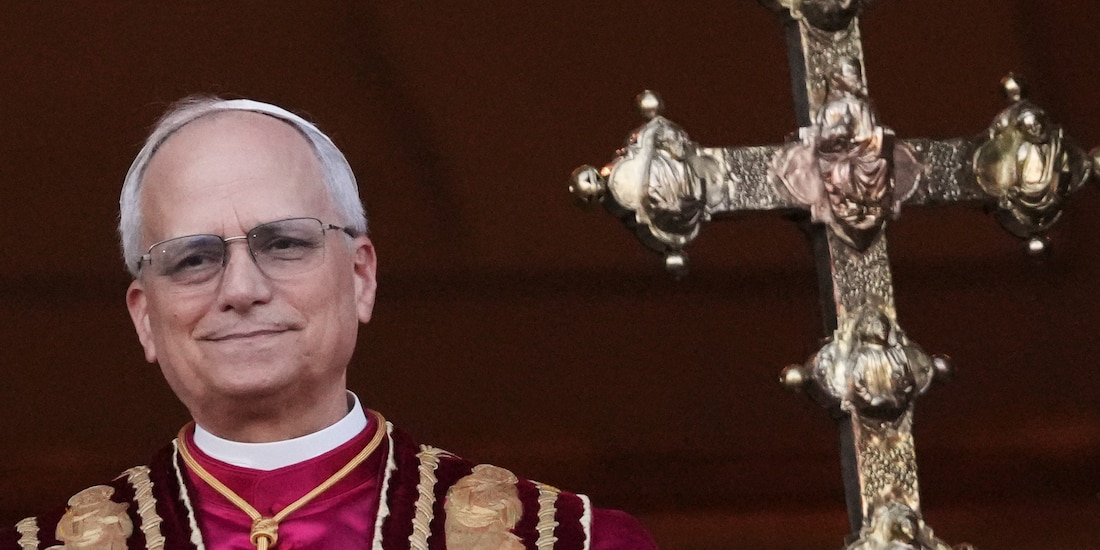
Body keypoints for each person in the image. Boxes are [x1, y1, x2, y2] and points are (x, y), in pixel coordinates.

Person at [0, 98, 658, 550]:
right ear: (145, 316)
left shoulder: (566, 540)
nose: (242, 290)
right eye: (193, 258)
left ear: (361, 276)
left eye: (284, 243)